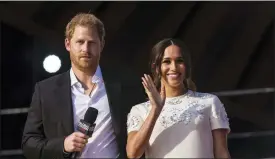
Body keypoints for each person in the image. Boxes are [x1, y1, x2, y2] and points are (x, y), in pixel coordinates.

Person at [22, 13, 142, 159]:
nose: (86, 49)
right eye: (80, 42)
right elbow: (28, 143)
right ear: (68, 44)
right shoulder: (45, 91)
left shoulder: (123, 87)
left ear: (101, 45)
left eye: (91, 42)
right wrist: (63, 145)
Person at [126, 38, 231, 158]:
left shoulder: (209, 102)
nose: (174, 67)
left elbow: (222, 153)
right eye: (167, 62)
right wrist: (156, 110)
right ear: (156, 67)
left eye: (179, 61)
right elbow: (133, 153)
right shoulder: (140, 110)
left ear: (186, 66)